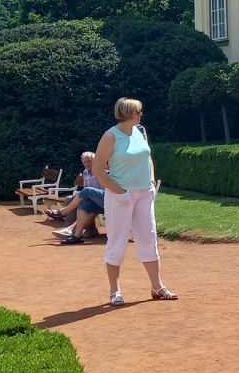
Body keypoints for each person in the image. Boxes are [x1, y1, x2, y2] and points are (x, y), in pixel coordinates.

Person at [94, 98, 176, 305]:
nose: (141, 115)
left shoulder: (140, 131)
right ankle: (115, 291)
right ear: (127, 113)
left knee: (149, 237)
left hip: (144, 193)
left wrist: (151, 180)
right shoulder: (111, 136)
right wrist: (119, 191)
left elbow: (147, 158)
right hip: (120, 196)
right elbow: (98, 169)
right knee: (117, 241)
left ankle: (157, 286)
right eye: (138, 112)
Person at [45, 152, 99, 220]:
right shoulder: (85, 172)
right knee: (69, 199)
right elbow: (85, 187)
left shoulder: (100, 171)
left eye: (89, 161)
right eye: (85, 162)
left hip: (98, 197)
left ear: (94, 161)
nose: (87, 164)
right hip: (88, 195)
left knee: (83, 201)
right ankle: (69, 222)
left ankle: (62, 213)